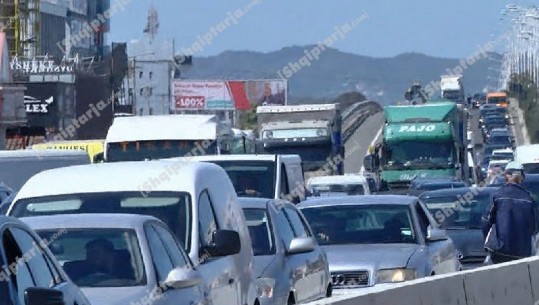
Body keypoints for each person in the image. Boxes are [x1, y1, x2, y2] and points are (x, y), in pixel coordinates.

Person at [481, 161, 538, 264]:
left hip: (499, 251)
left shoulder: (497, 195)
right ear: (522, 177)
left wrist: (489, 241)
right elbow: (535, 227)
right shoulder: (529, 199)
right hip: (522, 253)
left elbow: (486, 221)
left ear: (506, 176)